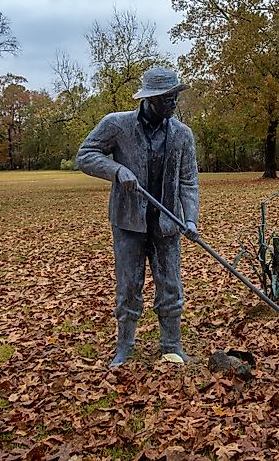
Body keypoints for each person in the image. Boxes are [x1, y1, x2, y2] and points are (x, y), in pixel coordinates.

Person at [76, 66, 199, 367]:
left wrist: (191, 219)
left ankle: (171, 346)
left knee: (171, 286)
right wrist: (117, 171)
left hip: (167, 224)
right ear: (151, 99)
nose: (173, 104)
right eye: (168, 98)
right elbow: (86, 155)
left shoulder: (182, 134)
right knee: (129, 286)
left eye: (175, 98)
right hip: (129, 222)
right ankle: (125, 347)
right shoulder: (116, 125)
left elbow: (188, 181)